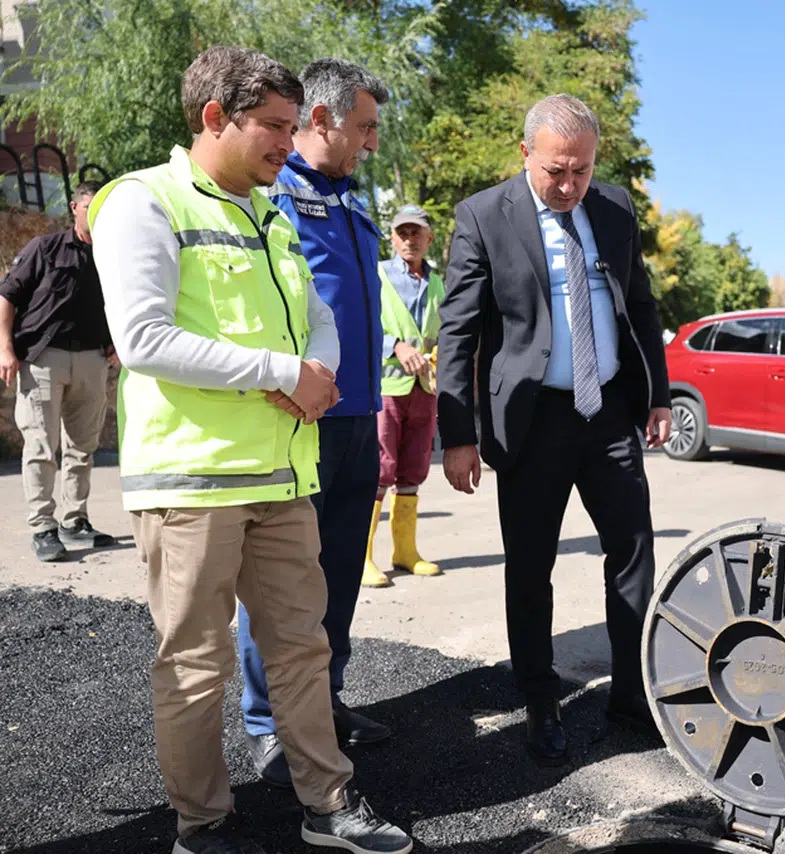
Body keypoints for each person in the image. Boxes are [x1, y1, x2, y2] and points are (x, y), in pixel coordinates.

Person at [88, 45, 411, 854]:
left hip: (282, 473)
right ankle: (204, 826)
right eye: (271, 125)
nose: (285, 141)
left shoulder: (270, 213)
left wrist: (319, 373)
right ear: (212, 118)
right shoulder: (145, 202)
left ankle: (327, 806)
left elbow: (323, 317)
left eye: (292, 124)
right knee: (196, 668)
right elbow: (144, 337)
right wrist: (282, 372)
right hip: (192, 481)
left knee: (303, 648)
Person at [436, 94, 672, 767]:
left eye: (582, 171)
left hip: (610, 416)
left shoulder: (616, 209)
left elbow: (642, 303)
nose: (569, 187)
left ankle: (631, 694)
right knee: (531, 566)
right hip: (532, 421)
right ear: (526, 156)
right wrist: (459, 434)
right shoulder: (484, 216)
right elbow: (457, 331)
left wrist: (655, 395)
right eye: (555, 172)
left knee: (633, 555)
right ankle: (540, 698)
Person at [234, 57, 393, 788]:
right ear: (320, 119)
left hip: (361, 416)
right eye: (363, 127)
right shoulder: (276, 194)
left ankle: (322, 701)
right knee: (282, 583)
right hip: (300, 418)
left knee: (337, 574)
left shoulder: (358, 204)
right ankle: (268, 723)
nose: (371, 142)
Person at [0, 181, 118, 562]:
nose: (96, 215)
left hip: (91, 360)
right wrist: (5, 349)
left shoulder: (113, 256)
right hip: (43, 359)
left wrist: (118, 344)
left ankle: (75, 520)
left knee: (82, 448)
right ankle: (43, 526)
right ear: (74, 208)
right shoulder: (45, 249)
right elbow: (7, 296)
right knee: (40, 446)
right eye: (89, 207)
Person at [362, 204, 447, 587]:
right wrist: (395, 346)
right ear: (393, 238)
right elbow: (360, 323)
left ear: (430, 238)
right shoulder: (376, 274)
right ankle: (361, 557)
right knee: (380, 469)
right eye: (403, 233)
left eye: (417, 233)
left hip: (424, 388)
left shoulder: (438, 282)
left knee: (414, 468)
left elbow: (446, 331)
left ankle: (405, 552)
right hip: (386, 388)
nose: (410, 239)